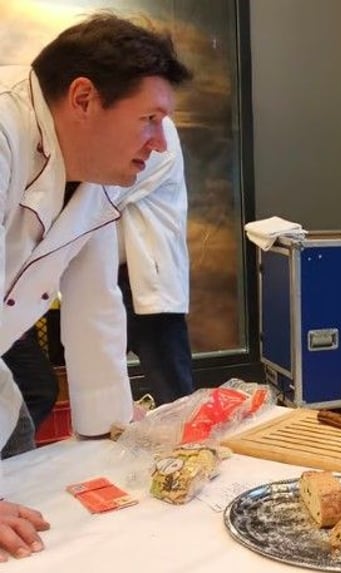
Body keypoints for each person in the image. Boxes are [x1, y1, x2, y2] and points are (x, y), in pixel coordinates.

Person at [0, 14, 191, 559]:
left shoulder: (97, 177)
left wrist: (106, 439)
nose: (159, 144)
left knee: (39, 498)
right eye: (149, 120)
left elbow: (96, 304)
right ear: (83, 99)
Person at [116, 117, 194, 406]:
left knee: (174, 395)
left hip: (150, 277)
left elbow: (108, 190)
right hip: (106, 279)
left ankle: (187, 450)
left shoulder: (161, 132)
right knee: (99, 384)